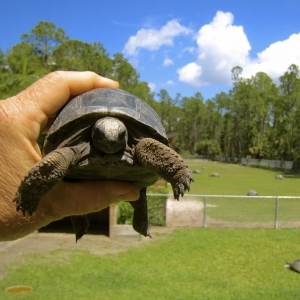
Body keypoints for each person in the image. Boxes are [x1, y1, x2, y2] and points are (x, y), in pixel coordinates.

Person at [0, 71, 140, 242]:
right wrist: (29, 194)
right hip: (76, 163)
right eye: (102, 136)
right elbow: (53, 164)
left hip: (127, 171)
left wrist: (178, 172)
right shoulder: (70, 151)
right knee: (60, 162)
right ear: (94, 132)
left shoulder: (141, 145)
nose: (110, 142)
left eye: (118, 137)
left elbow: (153, 148)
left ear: (125, 134)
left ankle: (140, 217)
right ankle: (79, 220)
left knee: (143, 178)